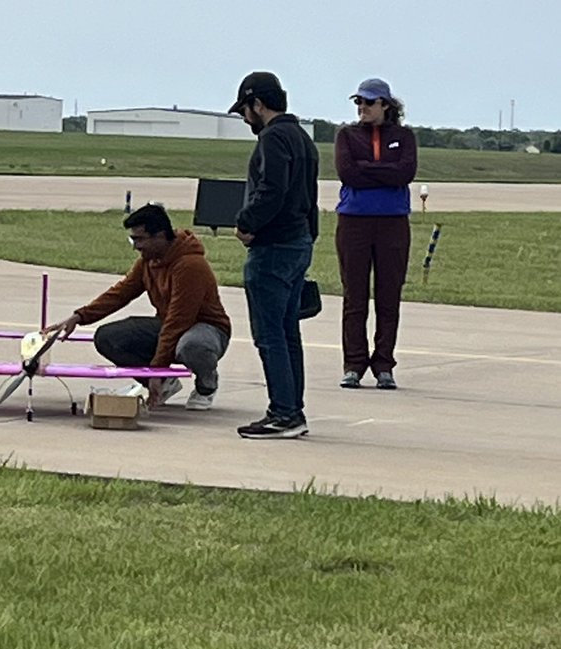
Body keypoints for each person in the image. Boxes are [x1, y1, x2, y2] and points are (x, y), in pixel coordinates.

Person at [48, 203, 231, 409]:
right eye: (132, 239)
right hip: (168, 323)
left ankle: (206, 384)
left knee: (192, 346)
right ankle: (165, 385)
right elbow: (120, 293)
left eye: (139, 239)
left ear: (160, 236)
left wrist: (156, 369)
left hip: (206, 328)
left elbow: (179, 321)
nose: (135, 246)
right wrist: (79, 316)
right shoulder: (147, 261)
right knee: (108, 338)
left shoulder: (190, 266)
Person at [229, 71, 319, 440]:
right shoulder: (302, 137)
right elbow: (309, 197)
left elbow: (272, 190)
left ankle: (283, 413)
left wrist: (246, 222)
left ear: (258, 104)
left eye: (245, 110)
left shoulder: (273, 138)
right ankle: (291, 409)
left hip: (273, 247)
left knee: (270, 335)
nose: (245, 118)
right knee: (287, 332)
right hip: (299, 242)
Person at [335, 78, 418, 390]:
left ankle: (384, 364)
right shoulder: (346, 135)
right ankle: (353, 364)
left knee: (388, 296)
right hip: (354, 221)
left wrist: (368, 168)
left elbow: (405, 173)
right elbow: (347, 173)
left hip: (392, 223)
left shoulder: (404, 136)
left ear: (385, 105)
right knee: (354, 297)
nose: (363, 108)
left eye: (369, 103)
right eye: (359, 103)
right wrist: (383, 172)